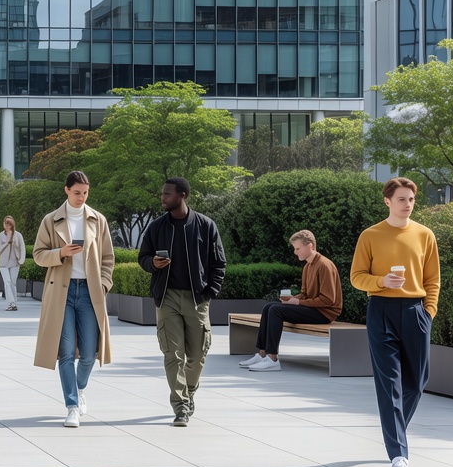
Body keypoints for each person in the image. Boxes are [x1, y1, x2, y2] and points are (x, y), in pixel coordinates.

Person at [350, 176, 439, 467]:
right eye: (401, 199)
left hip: (416, 311)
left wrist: (429, 312)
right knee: (389, 385)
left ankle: (394, 428)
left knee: (417, 382)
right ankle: (399, 453)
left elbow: (433, 280)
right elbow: (356, 276)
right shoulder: (371, 235)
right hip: (382, 310)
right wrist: (381, 281)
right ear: (387, 201)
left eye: (411, 199)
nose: (407, 205)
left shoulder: (425, 235)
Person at [137, 177, 226, 427]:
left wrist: (210, 292)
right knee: (172, 355)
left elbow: (219, 263)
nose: (162, 198)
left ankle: (189, 391)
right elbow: (142, 256)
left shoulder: (206, 226)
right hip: (167, 298)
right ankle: (181, 406)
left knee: (197, 356)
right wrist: (152, 263)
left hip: (197, 298)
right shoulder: (156, 227)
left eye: (167, 194)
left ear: (182, 195)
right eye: (162, 194)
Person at [33, 171, 114, 428]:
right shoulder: (51, 220)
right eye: (77, 192)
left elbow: (108, 259)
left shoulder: (97, 220)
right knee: (66, 353)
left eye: (86, 192)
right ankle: (72, 406)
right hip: (62, 293)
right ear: (66, 190)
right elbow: (38, 254)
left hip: (90, 292)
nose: (82, 197)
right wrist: (60, 252)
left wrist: (103, 285)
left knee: (89, 354)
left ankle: (79, 389)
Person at [240, 229, 343, 372]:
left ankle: (272, 359)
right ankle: (262, 354)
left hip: (325, 313)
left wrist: (299, 303)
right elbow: (305, 293)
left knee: (275, 310)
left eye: (298, 248)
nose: (295, 252)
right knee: (268, 307)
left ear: (310, 246)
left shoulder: (325, 265)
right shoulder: (307, 266)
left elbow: (328, 300)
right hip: (313, 308)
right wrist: (293, 299)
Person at [0, 216, 26, 311]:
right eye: (6, 223)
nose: (8, 226)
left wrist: (21, 260)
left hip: (14, 262)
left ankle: (14, 303)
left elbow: (22, 248)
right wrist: (7, 243)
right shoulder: (1, 235)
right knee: (7, 282)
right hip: (3, 263)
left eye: (9, 224)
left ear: (12, 224)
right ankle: (11, 303)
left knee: (13, 283)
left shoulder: (18, 235)